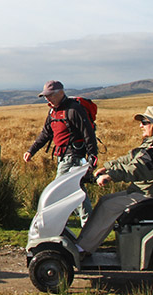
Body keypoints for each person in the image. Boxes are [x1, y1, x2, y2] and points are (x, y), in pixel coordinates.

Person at [75, 106, 153, 253]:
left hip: (150, 195)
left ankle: (82, 249)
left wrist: (111, 176)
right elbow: (132, 157)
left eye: (145, 122)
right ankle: (82, 243)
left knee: (109, 207)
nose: (141, 126)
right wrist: (108, 167)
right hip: (144, 190)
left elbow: (138, 169)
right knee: (104, 201)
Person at [23, 80, 98, 227]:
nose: (47, 98)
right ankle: (88, 226)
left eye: (50, 95)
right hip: (62, 157)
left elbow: (88, 133)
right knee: (76, 190)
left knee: (56, 190)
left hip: (73, 157)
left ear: (61, 93)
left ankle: (50, 224)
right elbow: (46, 133)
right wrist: (31, 150)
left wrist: (93, 157)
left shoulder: (74, 110)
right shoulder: (53, 112)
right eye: (45, 95)